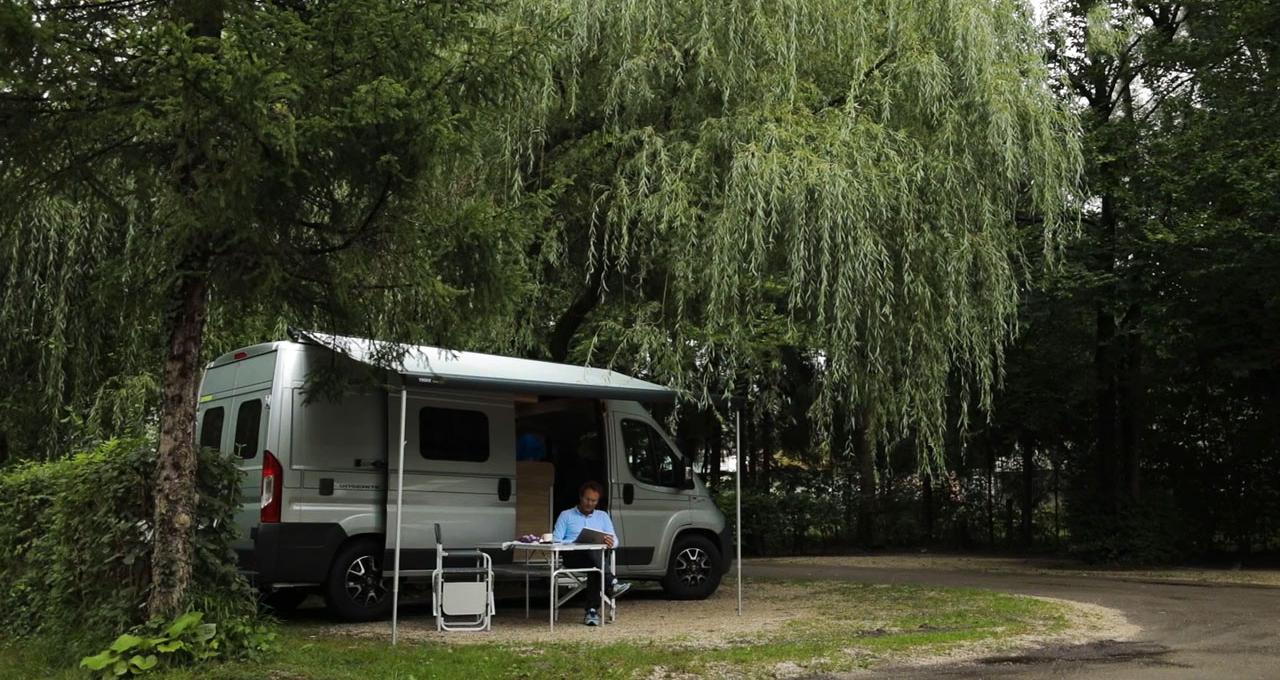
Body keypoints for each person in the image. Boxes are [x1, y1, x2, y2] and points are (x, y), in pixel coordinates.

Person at [552, 480, 631, 625]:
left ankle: (592, 612)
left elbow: (615, 540)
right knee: (595, 558)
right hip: (574, 558)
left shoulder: (603, 516)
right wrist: (576, 542)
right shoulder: (566, 515)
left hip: (596, 559)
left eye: (594, 501)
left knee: (595, 564)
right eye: (587, 499)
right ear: (580, 497)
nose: (590, 503)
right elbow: (556, 540)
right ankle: (611, 583)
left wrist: (610, 542)